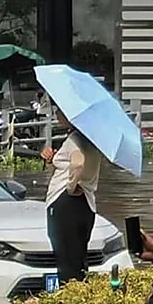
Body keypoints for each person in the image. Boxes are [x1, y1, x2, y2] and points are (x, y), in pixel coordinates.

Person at [41, 105, 103, 284]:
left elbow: (77, 164)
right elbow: (75, 164)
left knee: (66, 258)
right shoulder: (92, 141)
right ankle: (80, 295)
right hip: (86, 204)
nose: (57, 115)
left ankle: (68, 297)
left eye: (60, 111)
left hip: (65, 202)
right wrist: (54, 160)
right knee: (78, 257)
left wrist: (70, 186)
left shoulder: (75, 139)